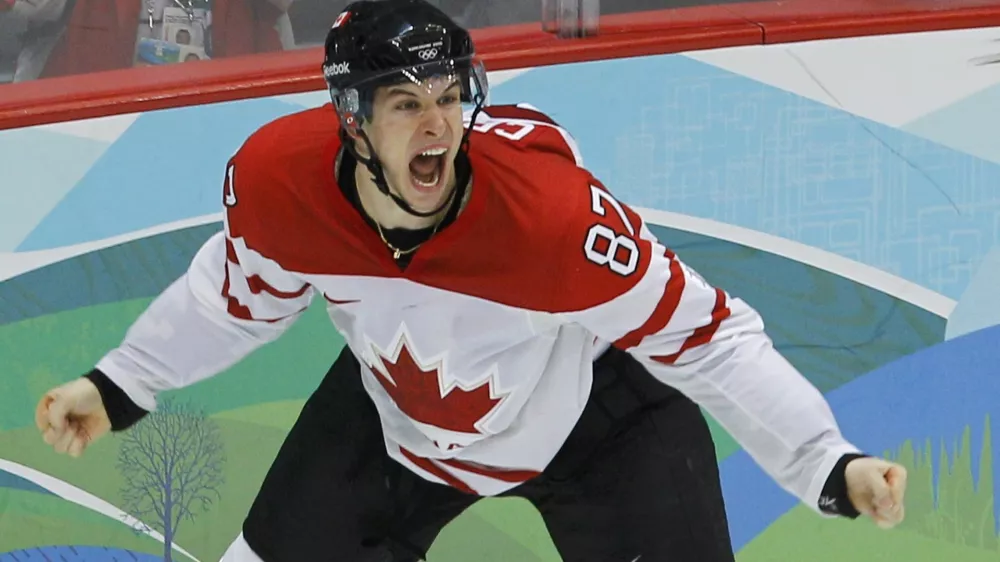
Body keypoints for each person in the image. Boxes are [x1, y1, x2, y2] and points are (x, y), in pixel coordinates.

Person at [33, 1, 908, 560]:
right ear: (352, 122)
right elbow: (235, 296)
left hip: (600, 418)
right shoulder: (279, 183)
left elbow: (708, 337)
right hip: (400, 410)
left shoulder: (554, 224)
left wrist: (828, 462)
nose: (438, 126)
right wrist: (120, 383)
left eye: (449, 97)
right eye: (407, 104)